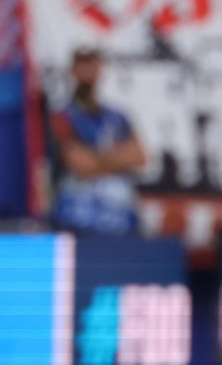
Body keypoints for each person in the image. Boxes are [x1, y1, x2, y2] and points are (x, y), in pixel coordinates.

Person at [49, 46, 146, 236]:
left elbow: (139, 156)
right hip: (76, 220)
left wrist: (95, 158)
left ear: (101, 70)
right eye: (82, 65)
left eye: (92, 65)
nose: (88, 72)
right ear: (72, 70)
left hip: (119, 219)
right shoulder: (61, 115)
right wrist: (118, 157)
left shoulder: (118, 116)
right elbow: (80, 165)